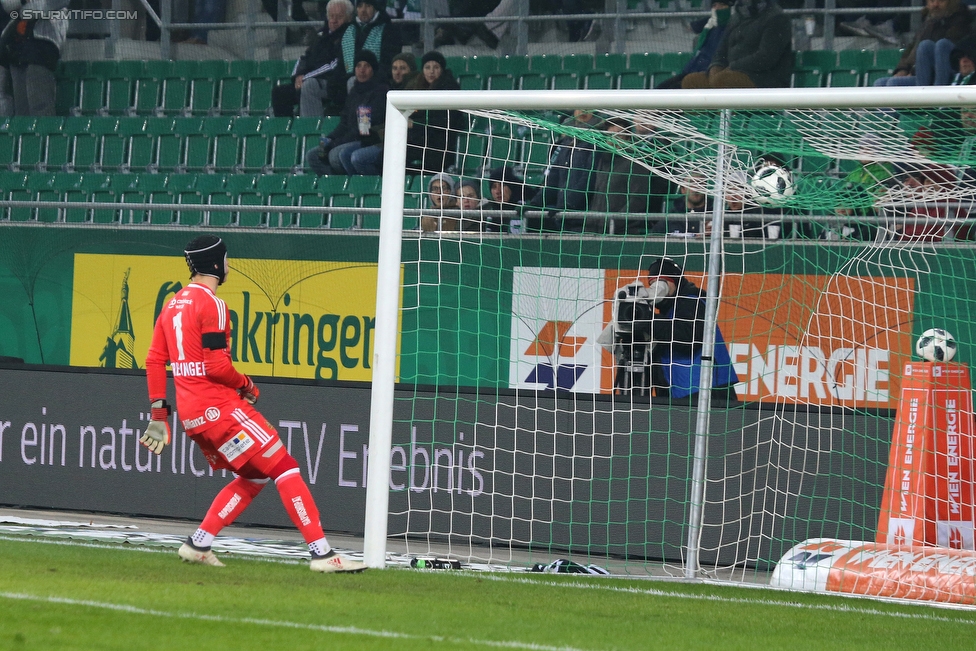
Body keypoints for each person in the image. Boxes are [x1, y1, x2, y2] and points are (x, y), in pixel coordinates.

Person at [141, 235, 366, 573]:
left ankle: (199, 544)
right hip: (219, 409)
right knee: (285, 467)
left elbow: (154, 360)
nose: (228, 265)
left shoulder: (172, 304)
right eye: (226, 259)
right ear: (217, 264)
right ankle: (322, 554)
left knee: (255, 475)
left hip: (192, 417)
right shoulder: (213, 305)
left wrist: (160, 414)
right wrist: (246, 384)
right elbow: (217, 367)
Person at [597, 257, 739, 404]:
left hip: (708, 390)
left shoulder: (693, 300)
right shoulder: (667, 312)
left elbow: (688, 338)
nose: (658, 287)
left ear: (676, 281)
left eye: (663, 282)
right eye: (653, 283)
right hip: (680, 393)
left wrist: (648, 320)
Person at [305, 50, 388, 176]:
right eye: (358, 66)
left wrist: (335, 143)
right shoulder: (354, 92)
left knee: (335, 155)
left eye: (366, 66)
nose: (362, 70)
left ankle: (350, 184)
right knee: (313, 155)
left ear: (373, 69)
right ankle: (334, 186)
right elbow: (344, 122)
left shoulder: (380, 92)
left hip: (367, 140)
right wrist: (329, 138)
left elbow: (364, 129)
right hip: (347, 139)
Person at [681, 0, 793, 90]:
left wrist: (733, 67)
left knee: (723, 80)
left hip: (764, 80)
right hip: (729, 73)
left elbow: (766, 57)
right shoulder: (736, 18)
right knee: (691, 81)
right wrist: (715, 68)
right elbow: (720, 52)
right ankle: (706, 119)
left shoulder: (776, 18)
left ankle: (731, 118)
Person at [272, 0, 355, 118]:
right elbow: (304, 58)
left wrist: (306, 77)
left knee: (309, 85)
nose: (334, 20)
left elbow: (334, 65)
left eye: (339, 17)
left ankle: (311, 128)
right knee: (279, 93)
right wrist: (297, 76)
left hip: (332, 83)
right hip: (310, 79)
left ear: (348, 18)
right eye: (332, 16)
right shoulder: (321, 35)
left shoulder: (349, 36)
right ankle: (286, 131)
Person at [525, 109, 603, 232]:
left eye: (588, 107)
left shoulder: (598, 142)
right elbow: (553, 178)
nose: (583, 110)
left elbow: (589, 179)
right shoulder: (567, 142)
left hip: (585, 220)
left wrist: (568, 206)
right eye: (579, 107)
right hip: (563, 217)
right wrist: (534, 204)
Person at [589, 117, 669, 235]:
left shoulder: (636, 162)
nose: (614, 140)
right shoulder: (602, 162)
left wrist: (615, 221)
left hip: (623, 232)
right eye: (610, 136)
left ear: (628, 138)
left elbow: (638, 199)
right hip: (595, 229)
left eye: (619, 136)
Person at [873, 0, 972, 87]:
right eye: (932, 1)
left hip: (942, 75)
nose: (935, 5)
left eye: (941, 1)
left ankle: (927, 98)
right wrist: (902, 69)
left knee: (894, 84)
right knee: (880, 83)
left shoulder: (960, 19)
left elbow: (940, 47)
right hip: (920, 73)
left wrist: (912, 71)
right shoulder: (927, 22)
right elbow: (910, 50)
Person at [0, 0, 68, 116]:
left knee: (39, 103)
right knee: (22, 109)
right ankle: (24, 134)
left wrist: (24, 9)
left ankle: (44, 134)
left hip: (43, 43)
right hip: (17, 44)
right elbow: (8, 4)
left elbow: (49, 5)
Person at [405, 51, 466, 174]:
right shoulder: (420, 86)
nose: (431, 72)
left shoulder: (449, 88)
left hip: (440, 145)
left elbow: (443, 121)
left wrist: (415, 124)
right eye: (427, 67)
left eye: (436, 67)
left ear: (442, 69)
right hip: (423, 140)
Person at [656, 2, 732, 89]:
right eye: (714, 6)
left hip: (706, 72)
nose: (717, 8)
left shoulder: (727, 28)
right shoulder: (710, 26)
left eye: (722, 5)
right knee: (661, 88)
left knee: (673, 89)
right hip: (692, 70)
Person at [342, 0, 403, 82]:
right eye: (360, 6)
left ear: (376, 8)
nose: (363, 10)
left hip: (377, 81)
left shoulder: (389, 31)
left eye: (368, 6)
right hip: (349, 79)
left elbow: (387, 63)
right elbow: (341, 64)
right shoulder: (349, 31)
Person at [482, 165, 528, 233]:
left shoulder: (526, 207)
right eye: (494, 187)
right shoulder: (486, 210)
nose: (498, 191)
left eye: (503, 185)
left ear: (512, 186)